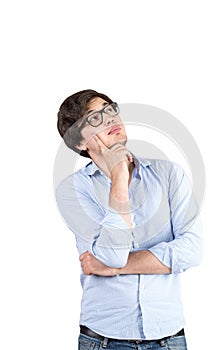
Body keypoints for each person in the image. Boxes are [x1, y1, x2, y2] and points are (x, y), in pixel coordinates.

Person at [56, 89, 203, 350]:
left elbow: (191, 251)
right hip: (103, 339)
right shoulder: (73, 190)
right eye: (94, 118)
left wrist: (115, 268)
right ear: (79, 142)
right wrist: (119, 178)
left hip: (169, 337)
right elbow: (113, 254)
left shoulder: (169, 175)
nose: (110, 118)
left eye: (110, 109)